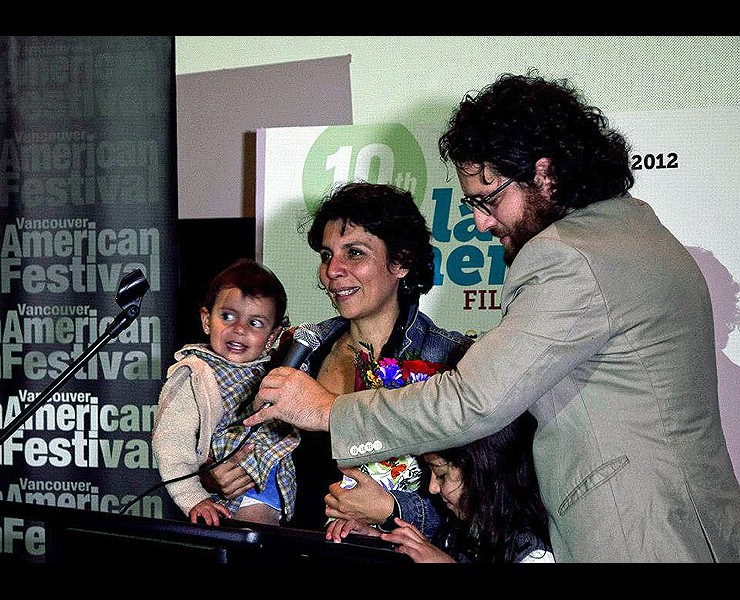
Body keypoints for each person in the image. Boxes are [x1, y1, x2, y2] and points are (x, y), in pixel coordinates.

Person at [247, 70, 740, 562]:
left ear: (545, 174)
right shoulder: (633, 233)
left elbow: (474, 401)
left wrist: (328, 412)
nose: (482, 222)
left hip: (638, 536)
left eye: (489, 200)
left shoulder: (571, 256)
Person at [210, 182, 473, 536]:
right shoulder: (297, 348)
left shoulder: (449, 359)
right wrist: (215, 474)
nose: (333, 270)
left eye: (355, 253)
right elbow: (239, 444)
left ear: (401, 261)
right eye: (326, 255)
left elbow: (482, 504)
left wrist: (391, 509)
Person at [152, 258, 299, 526]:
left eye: (255, 323)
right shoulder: (194, 373)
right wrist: (193, 497)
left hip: (273, 485)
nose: (239, 329)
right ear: (207, 320)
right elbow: (171, 442)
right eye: (228, 316)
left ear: (272, 336)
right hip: (229, 494)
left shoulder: (274, 367)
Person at [378, 412, 553, 563]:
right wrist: (379, 542)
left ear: (483, 472)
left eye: (441, 475)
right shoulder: (466, 527)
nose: (432, 488)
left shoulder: (534, 552)